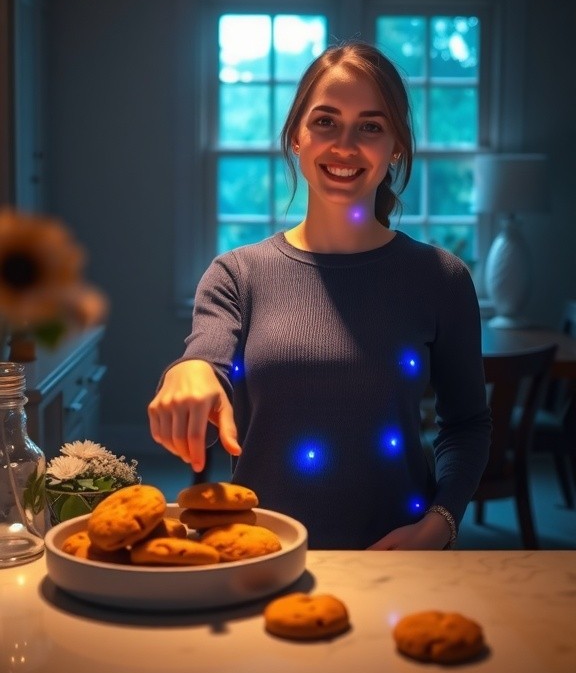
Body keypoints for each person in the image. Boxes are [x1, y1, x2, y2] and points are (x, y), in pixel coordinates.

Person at [148, 41, 491, 550]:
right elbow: (205, 356)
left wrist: (440, 523)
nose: (345, 146)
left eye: (370, 126)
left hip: (400, 557)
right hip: (260, 555)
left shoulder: (441, 278)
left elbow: (466, 423)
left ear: (396, 145)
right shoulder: (237, 274)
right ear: (296, 137)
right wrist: (187, 371)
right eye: (326, 122)